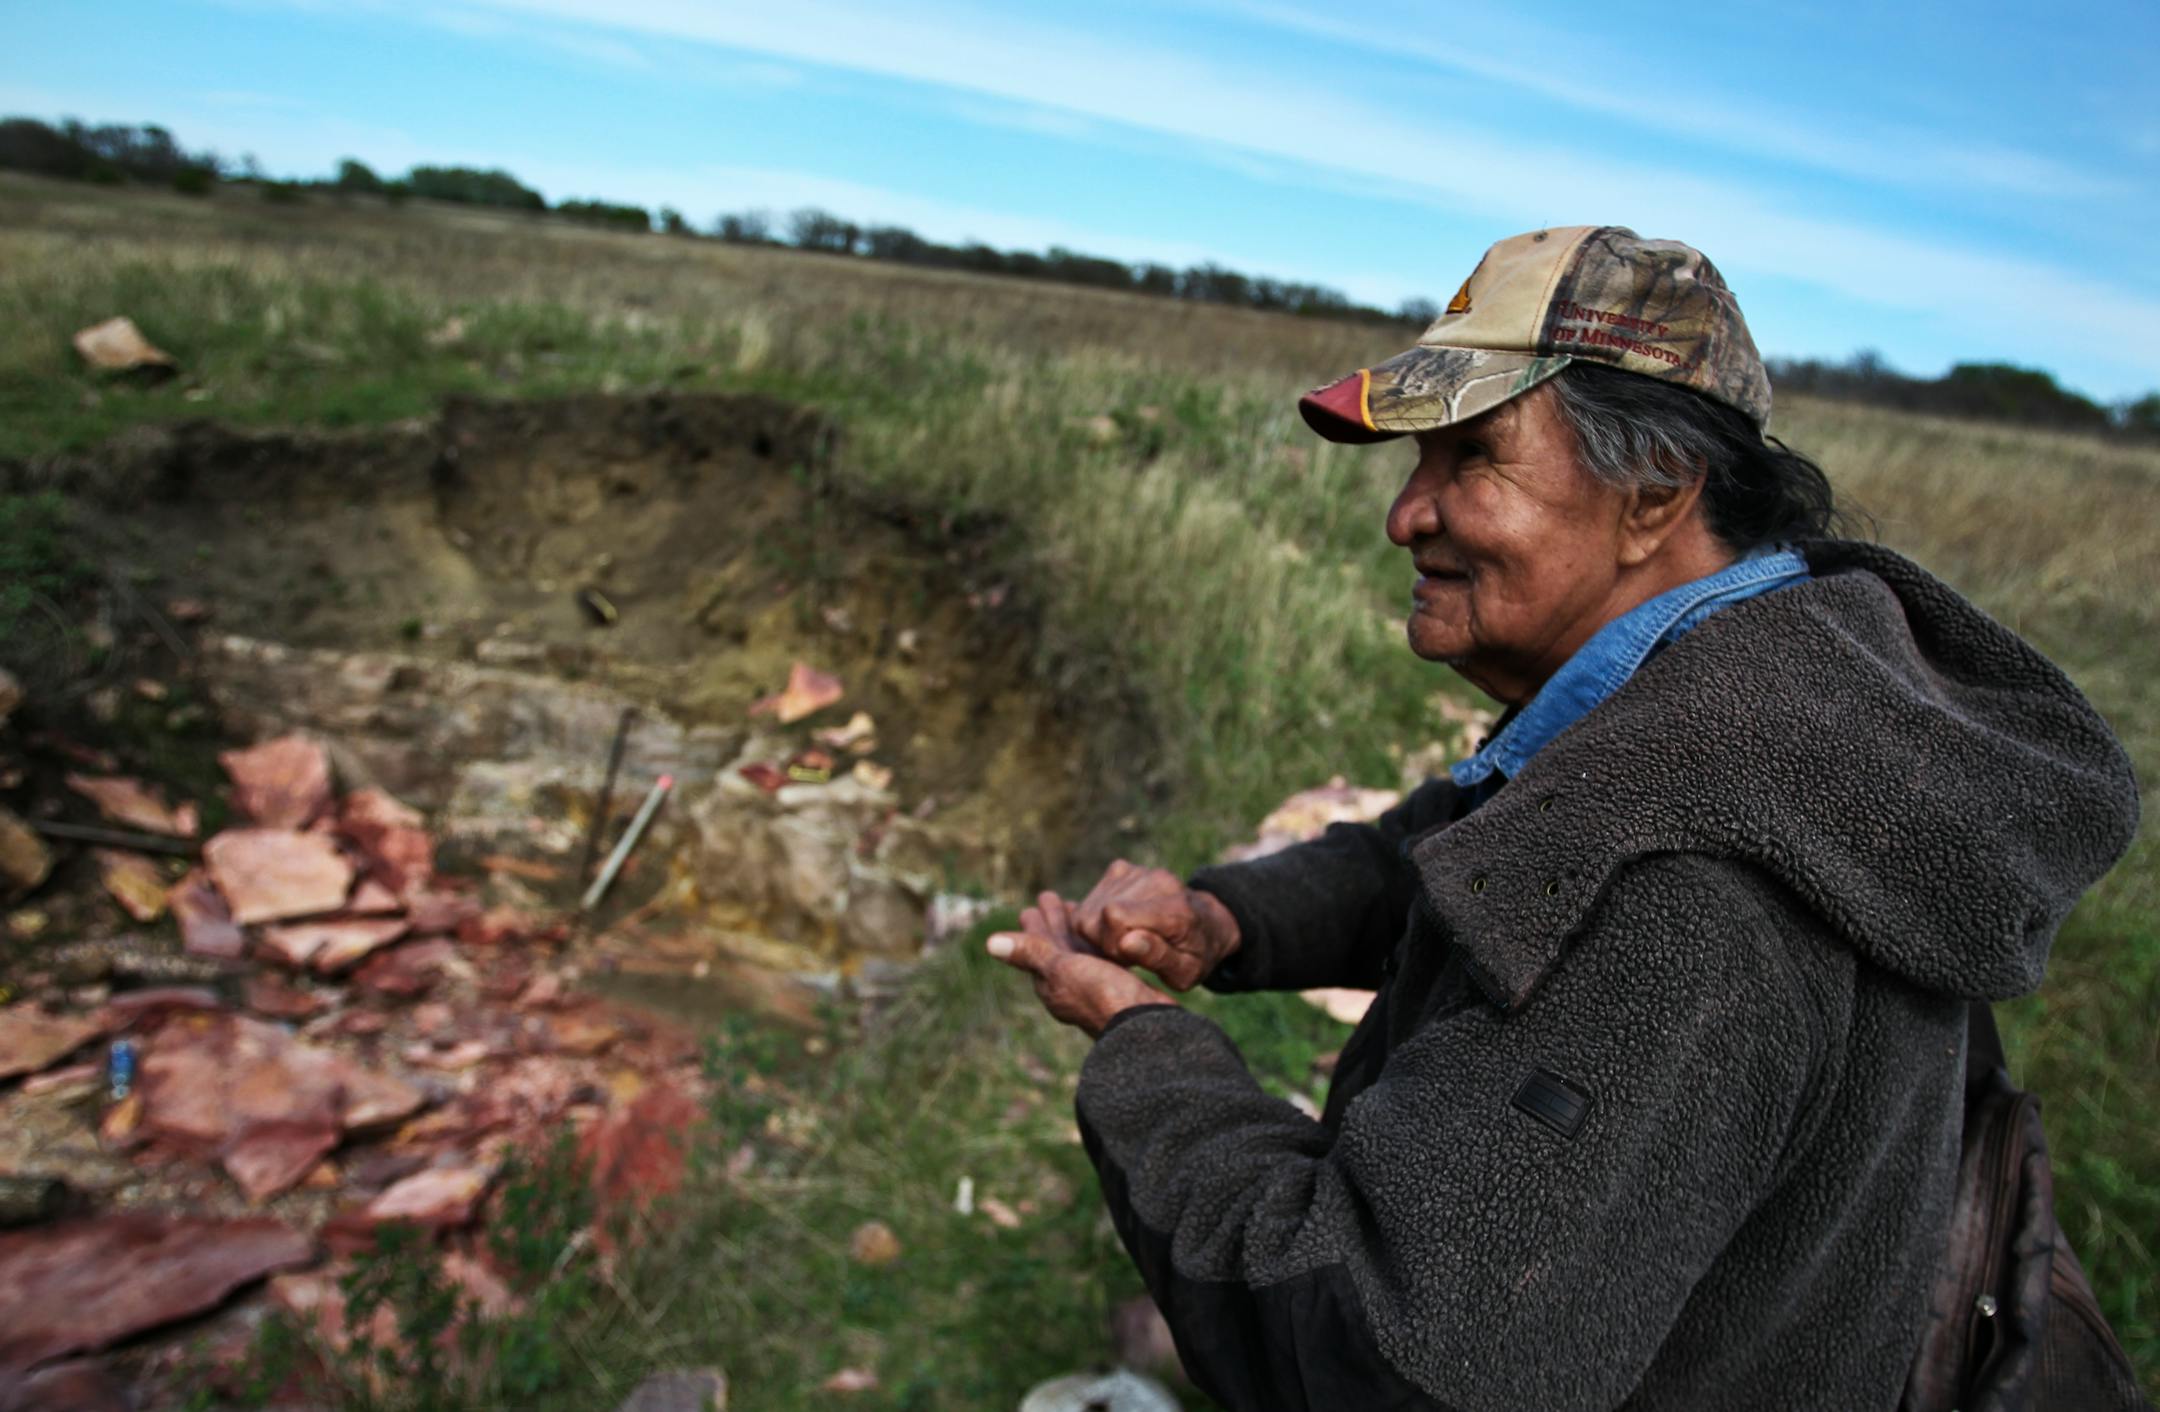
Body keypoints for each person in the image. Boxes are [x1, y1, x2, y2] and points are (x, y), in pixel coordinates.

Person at [985, 226, 2140, 1411]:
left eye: (1472, 455)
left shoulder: (1688, 892)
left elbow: (1377, 1363)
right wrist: (1228, 918)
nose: (1403, 516)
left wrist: (1143, 1048)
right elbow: (1469, 847)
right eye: (1415, 460)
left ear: (1652, 496)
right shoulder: (1765, 701)